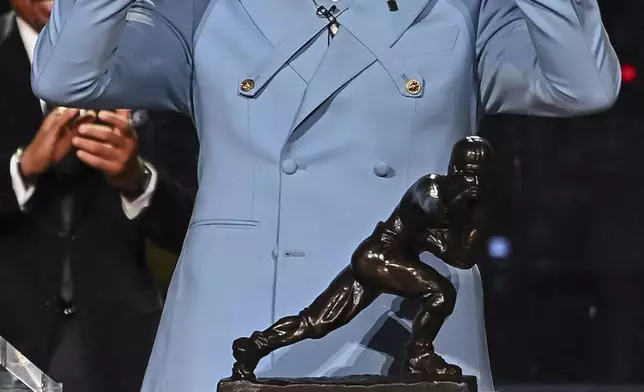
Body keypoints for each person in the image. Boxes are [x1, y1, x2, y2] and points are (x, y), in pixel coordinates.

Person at [29, 0, 621, 391]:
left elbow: (583, 84)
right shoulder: (204, 9)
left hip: (409, 337)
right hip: (233, 336)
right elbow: (66, 75)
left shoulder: (463, 9)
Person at [0, 4, 198, 392]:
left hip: (122, 343)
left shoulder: (151, 57)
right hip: (11, 336)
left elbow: (194, 223)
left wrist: (135, 179)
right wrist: (23, 168)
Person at [232, 136, 493, 379]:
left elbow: (461, 260)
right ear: (455, 170)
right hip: (378, 255)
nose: (476, 184)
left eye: (482, 177)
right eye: (470, 175)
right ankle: (419, 355)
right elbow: (433, 209)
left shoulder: (475, 211)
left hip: (385, 261)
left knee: (317, 322)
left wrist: (474, 224)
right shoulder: (431, 186)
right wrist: (461, 212)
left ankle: (255, 347)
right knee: (441, 293)